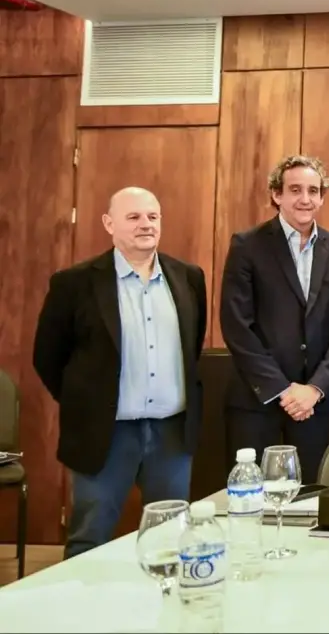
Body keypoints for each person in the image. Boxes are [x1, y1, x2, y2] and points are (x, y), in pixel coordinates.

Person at [32, 187, 207, 559]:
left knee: (171, 542)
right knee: (89, 538)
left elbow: (191, 348)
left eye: (153, 217)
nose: (146, 224)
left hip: (171, 434)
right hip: (105, 434)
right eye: (134, 217)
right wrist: (88, 403)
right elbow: (47, 357)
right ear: (109, 224)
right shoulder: (74, 283)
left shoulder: (189, 278)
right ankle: (82, 615)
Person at [220, 155, 329, 482]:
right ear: (276, 195)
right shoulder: (247, 246)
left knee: (308, 501)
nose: (305, 199)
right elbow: (237, 325)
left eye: (313, 190)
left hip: (313, 404)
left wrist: (315, 388)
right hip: (257, 400)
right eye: (295, 189)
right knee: (251, 501)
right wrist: (283, 390)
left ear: (322, 197)